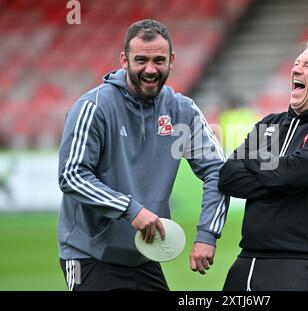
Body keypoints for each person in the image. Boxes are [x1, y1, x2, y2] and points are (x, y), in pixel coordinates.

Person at [57, 19, 229, 291]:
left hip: (145, 254)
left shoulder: (182, 110)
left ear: (171, 60)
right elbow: (72, 176)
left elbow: (217, 169)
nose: (150, 69)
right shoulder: (94, 107)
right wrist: (130, 209)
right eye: (141, 60)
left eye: (159, 60)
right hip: (88, 255)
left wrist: (207, 234)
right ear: (124, 60)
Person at [218, 37, 308, 291]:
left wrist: (257, 158)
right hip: (246, 260)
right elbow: (229, 177)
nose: (296, 69)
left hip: (302, 263)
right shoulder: (272, 122)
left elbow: (288, 174)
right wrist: (283, 178)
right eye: (297, 63)